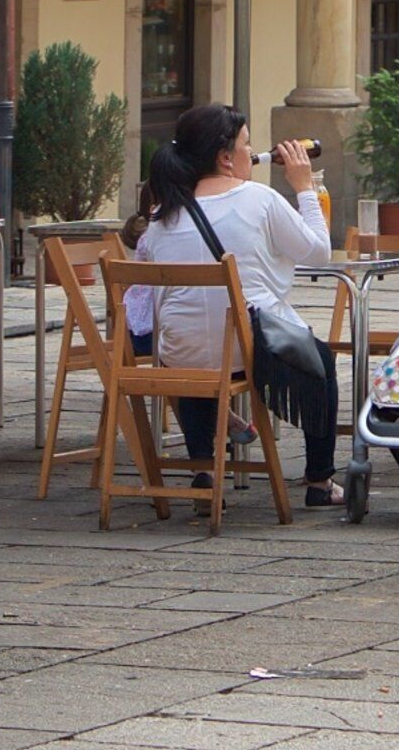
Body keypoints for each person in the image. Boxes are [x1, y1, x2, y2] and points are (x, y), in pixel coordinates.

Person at [124, 103, 342, 509]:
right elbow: (319, 252)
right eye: (247, 145)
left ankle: (204, 472)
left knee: (195, 350)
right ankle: (320, 481)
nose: (253, 153)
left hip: (177, 351)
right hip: (248, 349)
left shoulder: (161, 214)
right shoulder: (258, 198)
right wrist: (304, 188)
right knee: (322, 361)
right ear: (226, 158)